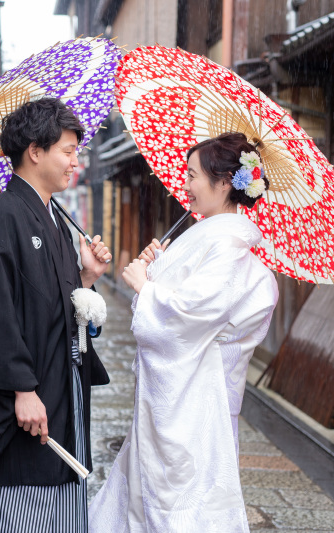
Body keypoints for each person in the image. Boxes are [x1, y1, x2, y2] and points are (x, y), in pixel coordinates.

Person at [88, 132, 279, 532]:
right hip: (185, 392)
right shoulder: (210, 236)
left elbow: (192, 314)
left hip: (194, 398)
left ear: (224, 182)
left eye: (193, 175)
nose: (186, 185)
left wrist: (146, 286)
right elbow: (186, 300)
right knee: (156, 494)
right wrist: (158, 267)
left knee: (178, 501)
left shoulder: (225, 244)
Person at [0, 97, 113, 532]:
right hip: (27, 397)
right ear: (35, 151)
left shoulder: (55, 221)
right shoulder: (2, 216)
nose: (75, 161)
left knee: (55, 501)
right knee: (17, 507)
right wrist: (21, 389)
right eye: (67, 150)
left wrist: (87, 276)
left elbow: (59, 306)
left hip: (59, 389)